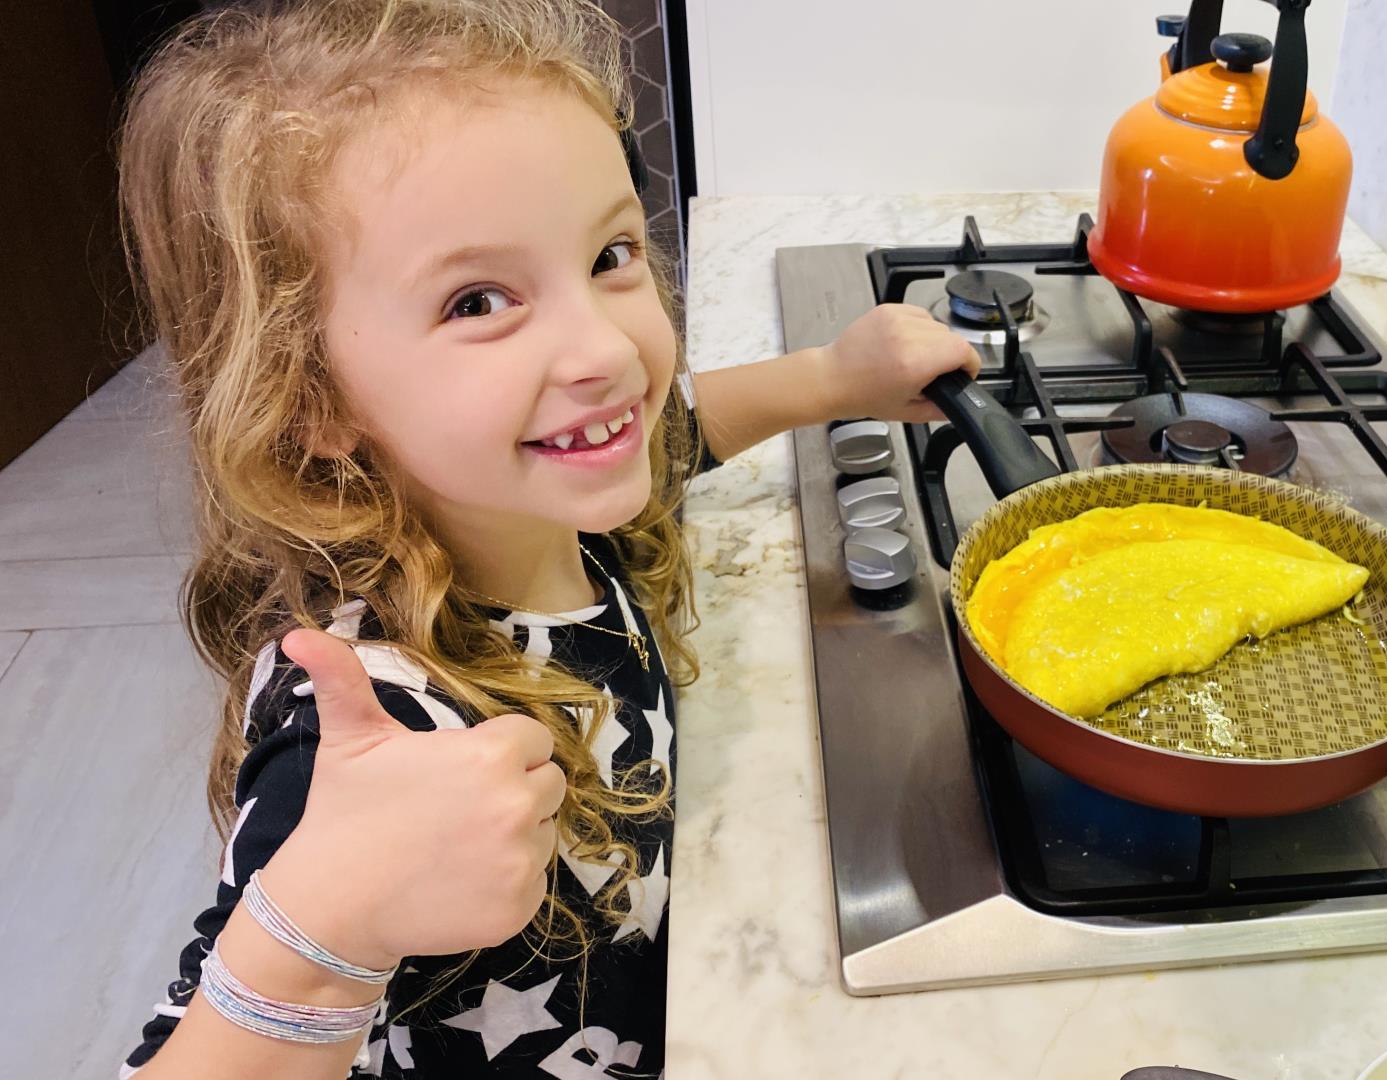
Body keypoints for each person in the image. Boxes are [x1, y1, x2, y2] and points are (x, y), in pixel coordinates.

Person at [114, 1, 977, 1075]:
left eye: (610, 254)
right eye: (479, 301)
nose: (606, 349)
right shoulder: (374, 726)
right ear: (312, 398)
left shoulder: (533, 497)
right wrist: (322, 933)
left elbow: (673, 433)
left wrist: (831, 378)